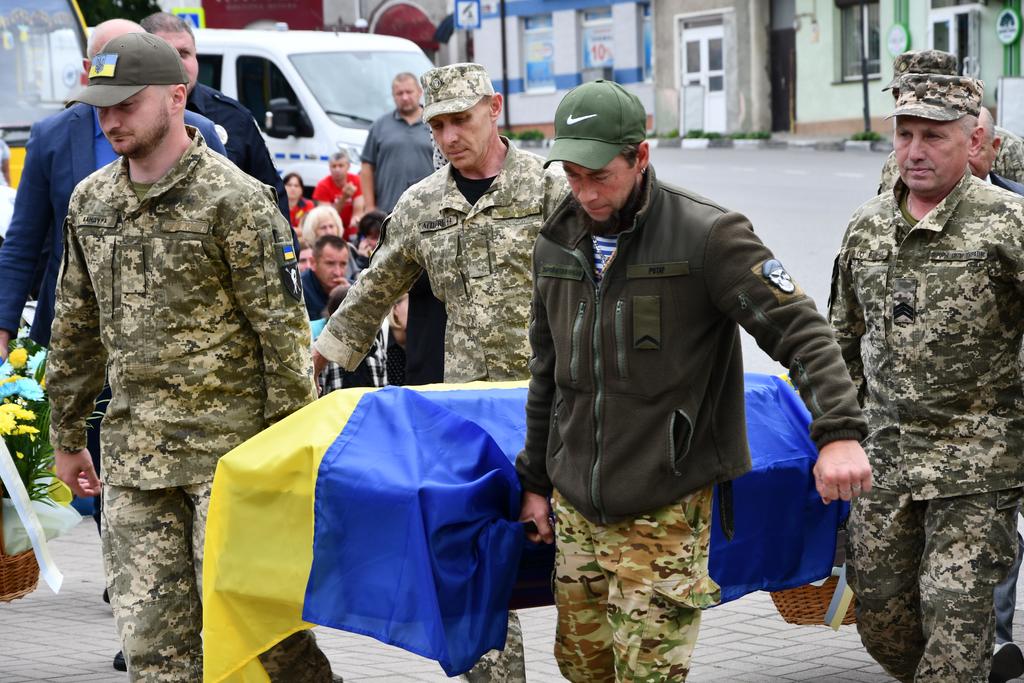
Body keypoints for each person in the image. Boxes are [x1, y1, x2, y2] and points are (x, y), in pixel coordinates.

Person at [515, 79, 872, 683]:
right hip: (576, 508)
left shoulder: (708, 235)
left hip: (665, 505)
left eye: (599, 175)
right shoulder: (556, 244)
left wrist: (838, 432)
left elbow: (802, 332)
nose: (586, 192)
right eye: (573, 175)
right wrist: (534, 482)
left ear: (640, 156)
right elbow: (547, 375)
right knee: (582, 669)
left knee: (648, 677)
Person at [45, 32, 334, 681]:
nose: (111, 119)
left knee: (269, 642)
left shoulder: (236, 201)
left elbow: (284, 340)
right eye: (101, 107)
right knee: (154, 651)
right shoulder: (92, 203)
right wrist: (67, 435)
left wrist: (290, 463)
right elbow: (76, 328)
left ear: (177, 97)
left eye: (127, 103)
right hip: (135, 464)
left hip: (231, 465)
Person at [312, 62, 569, 682]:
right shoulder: (423, 202)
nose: (450, 137)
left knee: (575, 559)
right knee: (474, 565)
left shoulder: (548, 190)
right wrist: (318, 358)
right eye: (437, 126)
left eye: (461, 120)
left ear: (494, 109)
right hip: (468, 417)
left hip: (553, 406)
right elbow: (375, 289)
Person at [0, 21, 226, 672]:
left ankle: (178, 615)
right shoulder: (54, 140)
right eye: (103, 65)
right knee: (114, 486)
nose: (112, 109)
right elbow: (25, 244)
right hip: (93, 355)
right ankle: (144, 606)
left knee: (189, 514)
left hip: (190, 378)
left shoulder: (207, 144)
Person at [829, 72, 1024, 682]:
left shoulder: (1008, 223)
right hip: (885, 460)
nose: (914, 151)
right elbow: (841, 341)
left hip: (977, 466)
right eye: (904, 134)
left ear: (974, 142)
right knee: (882, 619)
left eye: (933, 137)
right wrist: (834, 434)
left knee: (956, 622)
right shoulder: (866, 225)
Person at [969, 107, 1024, 683]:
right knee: (992, 527)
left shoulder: (1018, 211)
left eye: (979, 137)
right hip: (979, 419)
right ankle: (994, 641)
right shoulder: (900, 212)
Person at [140, 12, 290, 221]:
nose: (178, 63)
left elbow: (272, 197)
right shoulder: (127, 117)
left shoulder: (235, 118)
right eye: (167, 54)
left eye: (184, 53)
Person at [877, 49, 1024, 192]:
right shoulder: (895, 160)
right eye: (898, 94)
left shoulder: (1007, 147)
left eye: (921, 90)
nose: (907, 100)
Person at [360, 72, 435, 214]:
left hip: (429, 209)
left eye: (409, 92)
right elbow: (367, 167)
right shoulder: (380, 126)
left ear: (420, 92)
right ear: (393, 96)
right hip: (388, 211)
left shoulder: (434, 123)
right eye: (399, 93)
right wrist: (369, 207)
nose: (405, 97)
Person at [313, 151, 364, 239]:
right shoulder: (322, 186)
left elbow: (358, 211)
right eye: (334, 166)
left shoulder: (357, 181)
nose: (337, 169)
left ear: (348, 166)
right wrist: (344, 198)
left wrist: (355, 221)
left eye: (341, 166)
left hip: (351, 227)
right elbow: (327, 216)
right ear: (329, 168)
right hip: (332, 229)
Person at [302, 234, 350, 320]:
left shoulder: (353, 288)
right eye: (330, 263)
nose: (338, 272)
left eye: (343, 264)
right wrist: (335, 301)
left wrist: (348, 297)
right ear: (313, 263)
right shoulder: (299, 291)